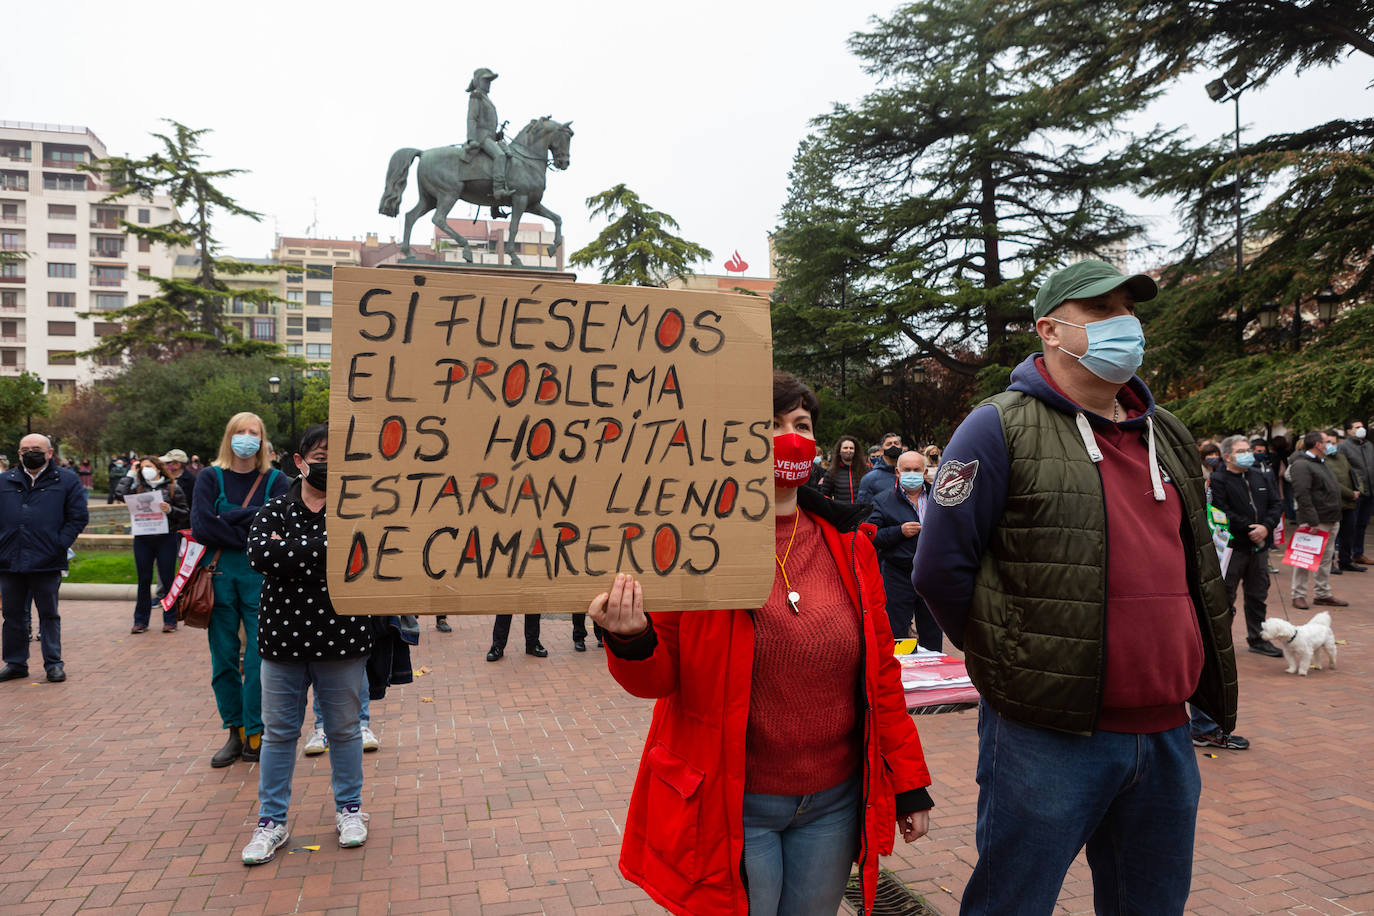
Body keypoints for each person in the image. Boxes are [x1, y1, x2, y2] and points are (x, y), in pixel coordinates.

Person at [913, 259, 1237, 915]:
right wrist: (1015, 663)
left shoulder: (1165, 431)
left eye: (1130, 311)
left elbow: (1194, 563)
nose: (1126, 325)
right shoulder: (998, 426)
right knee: (1013, 903)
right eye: (1102, 311)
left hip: (1167, 730)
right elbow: (938, 569)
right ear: (1050, 331)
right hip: (1046, 735)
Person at [587, 371, 933, 916]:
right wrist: (632, 639)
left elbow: (881, 681)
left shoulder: (849, 546)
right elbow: (658, 680)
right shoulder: (693, 546)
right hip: (733, 804)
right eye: (768, 426)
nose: (789, 437)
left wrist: (908, 783)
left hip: (832, 804)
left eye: (800, 424)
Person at [242, 423, 373, 864]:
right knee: (279, 734)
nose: (329, 467)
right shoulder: (274, 509)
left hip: (343, 638)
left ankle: (351, 810)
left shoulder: (359, 508)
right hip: (281, 640)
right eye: (320, 458)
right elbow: (260, 556)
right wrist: (327, 551)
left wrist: (294, 552)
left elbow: (362, 556)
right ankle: (271, 822)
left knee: (343, 729)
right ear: (299, 462)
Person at [192, 412, 289, 767]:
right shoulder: (209, 477)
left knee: (260, 658)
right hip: (218, 575)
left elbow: (278, 522)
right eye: (240, 432)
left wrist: (227, 518)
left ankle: (256, 733)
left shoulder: (276, 480)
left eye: (254, 433)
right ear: (228, 436)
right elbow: (201, 526)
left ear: (263, 440)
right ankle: (233, 731)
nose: (247, 438)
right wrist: (250, 524)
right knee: (224, 658)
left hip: (262, 577)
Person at [0, 434, 89, 684]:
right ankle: (15, 663)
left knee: (49, 614)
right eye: (25, 449)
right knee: (12, 615)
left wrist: (59, 544)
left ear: (49, 453)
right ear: (18, 453)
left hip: (47, 559)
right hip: (9, 560)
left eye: (36, 449)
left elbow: (78, 517)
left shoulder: (67, 480)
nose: (30, 452)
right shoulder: (5, 481)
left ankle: (53, 663)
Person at [1207, 436, 1283, 658]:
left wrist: (1266, 528)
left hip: (1259, 547)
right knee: (1225, 596)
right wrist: (1249, 528)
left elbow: (1276, 504)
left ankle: (1258, 638)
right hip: (1234, 548)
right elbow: (1221, 510)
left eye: (1248, 449)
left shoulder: (1261, 475)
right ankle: (1221, 644)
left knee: (1258, 594)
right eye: (1242, 450)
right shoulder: (1219, 479)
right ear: (1228, 456)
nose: (1248, 453)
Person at [866, 450, 942, 649]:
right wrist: (898, 532)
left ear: (925, 473)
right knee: (897, 633)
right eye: (906, 470)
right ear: (897, 473)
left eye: (917, 469)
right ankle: (901, 674)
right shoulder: (883, 500)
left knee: (932, 631)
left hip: (931, 575)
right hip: (897, 575)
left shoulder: (939, 499)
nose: (912, 473)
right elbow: (870, 536)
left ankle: (934, 673)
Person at [115, 455, 189, 634]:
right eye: (142, 467)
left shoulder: (172, 488)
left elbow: (185, 512)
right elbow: (119, 494)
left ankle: (170, 619)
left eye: (148, 466)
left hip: (166, 538)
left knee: (167, 579)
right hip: (143, 539)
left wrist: (170, 509)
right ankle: (140, 621)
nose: (144, 470)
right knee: (144, 579)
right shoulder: (138, 487)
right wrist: (131, 473)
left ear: (158, 468)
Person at [1288, 430, 1346, 609]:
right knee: (1304, 559)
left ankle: (1322, 593)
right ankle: (1298, 594)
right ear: (1318, 445)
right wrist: (1312, 520)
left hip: (1330, 518)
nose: (1331, 445)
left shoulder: (1322, 462)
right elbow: (1302, 495)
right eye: (1328, 441)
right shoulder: (1301, 465)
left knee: (1327, 558)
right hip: (1315, 520)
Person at [465, 67, 514, 201]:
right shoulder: (476, 96)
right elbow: (472, 118)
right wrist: (471, 139)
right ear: (478, 81)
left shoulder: (486, 98)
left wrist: (496, 135)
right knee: (500, 155)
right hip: (481, 137)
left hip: (490, 137)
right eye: (486, 81)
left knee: (510, 154)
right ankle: (498, 189)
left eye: (489, 81)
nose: (488, 84)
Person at [1326, 428, 1367, 573]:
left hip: (1349, 503)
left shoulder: (1341, 457)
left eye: (1333, 442)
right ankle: (1328, 563)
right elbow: (1331, 482)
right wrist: (1351, 493)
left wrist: (1359, 490)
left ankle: (1345, 561)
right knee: (1331, 536)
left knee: (1348, 533)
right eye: (1328, 442)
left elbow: (1354, 474)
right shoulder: (1321, 460)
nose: (1331, 445)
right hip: (1333, 502)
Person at [1339, 418, 1374, 564]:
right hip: (1355, 493)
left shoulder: (1368, 445)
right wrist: (1351, 490)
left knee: (1362, 524)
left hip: (1370, 491)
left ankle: (1358, 553)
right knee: (1349, 525)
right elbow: (1342, 470)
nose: (1361, 429)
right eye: (1357, 427)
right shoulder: (1344, 447)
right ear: (1348, 431)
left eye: (1362, 426)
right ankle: (1345, 556)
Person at [856, 431, 903, 505]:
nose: (893, 446)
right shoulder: (870, 479)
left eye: (896, 443)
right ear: (881, 450)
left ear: (901, 447)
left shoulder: (909, 472)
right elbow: (863, 508)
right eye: (889, 444)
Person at [819, 435, 862, 502]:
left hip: (860, 511)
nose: (848, 450)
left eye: (851, 448)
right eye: (845, 448)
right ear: (839, 451)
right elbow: (825, 495)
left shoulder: (864, 470)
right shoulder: (831, 472)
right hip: (841, 511)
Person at [160, 448, 197, 514]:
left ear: (177, 464)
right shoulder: (162, 478)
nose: (164, 465)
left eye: (167, 463)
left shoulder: (192, 480)